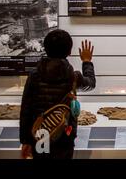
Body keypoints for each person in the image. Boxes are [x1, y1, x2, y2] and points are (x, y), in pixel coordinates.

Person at [20, 29, 96, 159]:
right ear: (69, 51)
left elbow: (26, 109)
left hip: (40, 133)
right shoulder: (73, 76)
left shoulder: (34, 75)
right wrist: (87, 61)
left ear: (46, 48)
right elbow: (90, 83)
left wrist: (25, 140)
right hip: (64, 135)